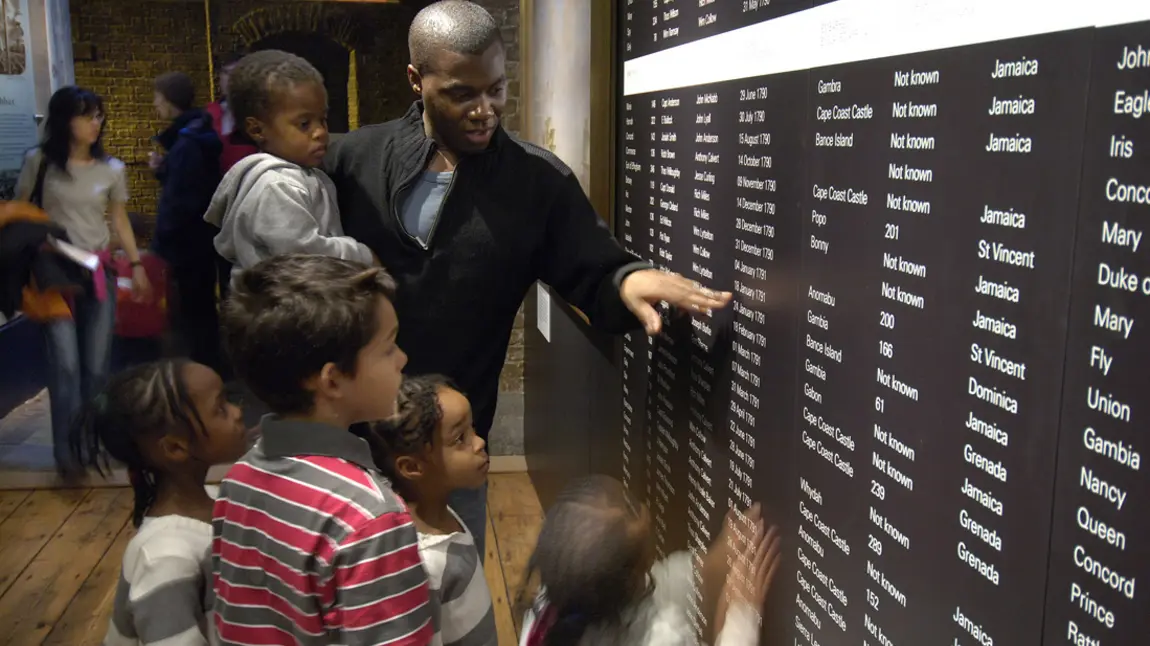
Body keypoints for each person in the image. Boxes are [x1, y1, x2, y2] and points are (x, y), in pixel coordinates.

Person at [324, 0, 732, 552]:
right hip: (346, 442)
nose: (485, 110)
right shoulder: (350, 161)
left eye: (496, 88)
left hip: (452, 451)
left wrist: (626, 279)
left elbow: (591, 266)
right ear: (416, 80)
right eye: (461, 93)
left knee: (455, 599)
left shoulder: (537, 182)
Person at [211, 254, 433, 645]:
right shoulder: (367, 517)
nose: (403, 359)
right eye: (388, 347)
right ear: (331, 381)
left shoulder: (238, 479)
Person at [15, 85, 151, 479]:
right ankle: (67, 454)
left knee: (96, 368)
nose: (97, 123)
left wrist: (137, 264)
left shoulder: (112, 168)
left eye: (98, 115)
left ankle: (92, 443)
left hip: (97, 272)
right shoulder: (38, 162)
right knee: (66, 366)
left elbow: (119, 219)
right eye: (86, 115)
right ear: (63, 120)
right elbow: (23, 213)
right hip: (52, 275)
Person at [69, 359, 247, 646]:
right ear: (175, 447)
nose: (238, 413)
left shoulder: (218, 499)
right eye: (221, 409)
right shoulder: (165, 558)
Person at [517, 476, 780, 646]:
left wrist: (704, 568)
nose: (642, 505)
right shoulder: (663, 639)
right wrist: (738, 622)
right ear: (631, 581)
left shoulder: (556, 602)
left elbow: (651, 588)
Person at [203, 50, 375, 285]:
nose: (320, 132)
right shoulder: (275, 185)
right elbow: (303, 254)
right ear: (257, 130)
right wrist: (361, 255)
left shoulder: (303, 174)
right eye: (304, 124)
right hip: (281, 313)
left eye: (322, 119)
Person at [360, 375, 496, 646]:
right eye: (460, 438)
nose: (479, 443)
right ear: (412, 467)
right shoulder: (425, 564)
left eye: (473, 429)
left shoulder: (442, 512)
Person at [150, 71, 225, 373]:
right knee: (202, 306)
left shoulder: (186, 144)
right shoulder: (199, 134)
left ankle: (205, 370)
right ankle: (210, 365)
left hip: (187, 242)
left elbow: (179, 199)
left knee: (194, 310)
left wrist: (159, 243)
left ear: (169, 102)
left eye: (157, 98)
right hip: (202, 237)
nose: (155, 105)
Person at [204, 51, 260, 175]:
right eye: (226, 73)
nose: (230, 79)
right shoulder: (209, 113)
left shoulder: (259, 113)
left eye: (236, 73)